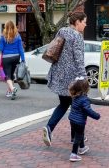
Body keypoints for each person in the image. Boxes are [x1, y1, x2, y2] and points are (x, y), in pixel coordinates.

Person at [43, 12, 88, 146]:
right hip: (73, 79)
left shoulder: (62, 31)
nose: (86, 25)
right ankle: (76, 138)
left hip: (59, 75)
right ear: (77, 22)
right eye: (84, 22)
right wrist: (84, 78)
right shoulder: (77, 36)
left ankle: (51, 128)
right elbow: (78, 59)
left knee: (64, 104)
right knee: (77, 108)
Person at [68, 76, 100, 162]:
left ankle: (82, 148)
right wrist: (96, 116)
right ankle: (73, 154)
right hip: (79, 122)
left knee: (79, 134)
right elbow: (87, 110)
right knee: (78, 137)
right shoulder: (84, 100)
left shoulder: (74, 96)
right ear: (85, 89)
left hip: (72, 120)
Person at [0, 20, 25, 100]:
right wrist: (23, 59)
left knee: (7, 76)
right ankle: (10, 92)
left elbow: (0, 49)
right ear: (14, 26)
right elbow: (21, 49)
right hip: (16, 57)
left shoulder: (3, 36)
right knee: (12, 74)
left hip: (6, 58)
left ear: (5, 27)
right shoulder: (18, 36)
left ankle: (12, 89)